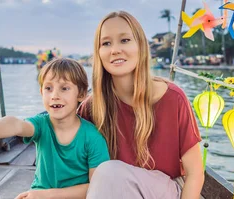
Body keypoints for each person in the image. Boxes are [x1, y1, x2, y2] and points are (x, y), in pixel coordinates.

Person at [78, 11, 204, 199]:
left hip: (165, 191)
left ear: (140, 47)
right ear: (98, 53)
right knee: (106, 176)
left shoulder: (173, 98)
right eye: (106, 43)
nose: (115, 50)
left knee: (107, 172)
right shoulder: (91, 108)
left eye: (125, 40)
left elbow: (195, 173)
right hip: (114, 192)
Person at [0, 58, 110, 199]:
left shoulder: (93, 137)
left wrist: (48, 195)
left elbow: (97, 188)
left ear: (81, 94)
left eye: (64, 88)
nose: (54, 95)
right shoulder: (41, 125)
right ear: (41, 92)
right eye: (48, 88)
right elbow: (15, 124)